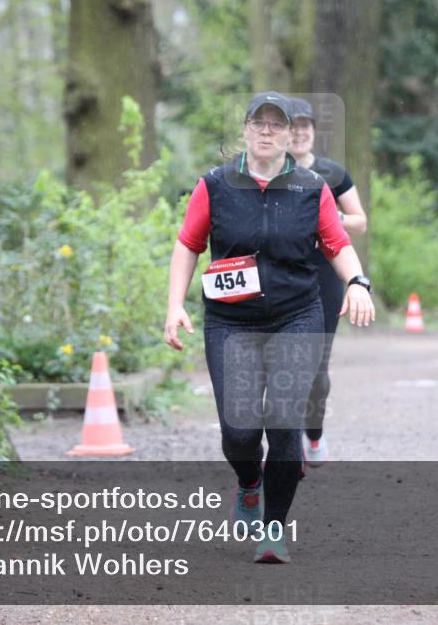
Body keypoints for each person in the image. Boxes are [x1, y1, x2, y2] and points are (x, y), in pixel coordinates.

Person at [163, 91, 375, 564]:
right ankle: (249, 482)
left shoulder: (310, 187)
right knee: (239, 432)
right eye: (258, 122)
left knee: (283, 421)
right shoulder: (215, 184)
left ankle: (274, 528)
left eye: (276, 125)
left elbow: (338, 244)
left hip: (296, 315)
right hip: (230, 321)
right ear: (245, 129)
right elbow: (188, 245)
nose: (266, 130)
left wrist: (358, 283)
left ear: (288, 135)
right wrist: (174, 305)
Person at [288, 97, 369, 467]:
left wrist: (327, 216)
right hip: (283, 276)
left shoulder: (332, 173)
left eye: (306, 126)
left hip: (325, 277)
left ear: (314, 132)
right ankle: (282, 446)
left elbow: (360, 221)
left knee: (316, 368)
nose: (300, 133)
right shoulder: (270, 172)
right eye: (294, 126)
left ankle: (314, 434)